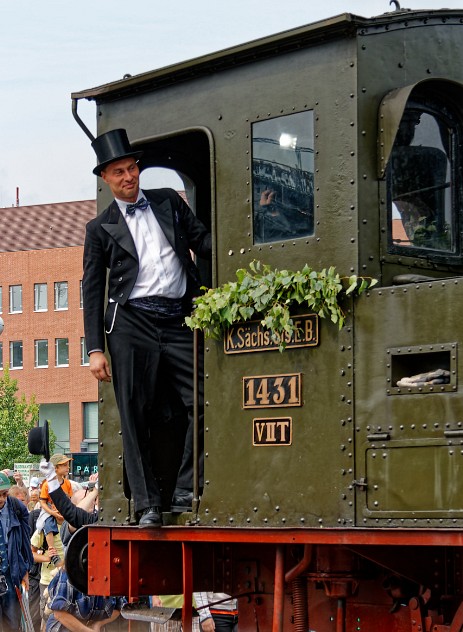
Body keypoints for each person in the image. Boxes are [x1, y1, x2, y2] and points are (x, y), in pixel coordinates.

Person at [82, 128, 212, 527]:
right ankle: (147, 504)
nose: (128, 176)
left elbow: (203, 241)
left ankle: (186, 487)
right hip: (131, 324)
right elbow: (92, 287)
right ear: (106, 178)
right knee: (134, 415)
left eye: (132, 167)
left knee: (204, 399)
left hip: (178, 316)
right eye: (119, 171)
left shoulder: (168, 201)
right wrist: (95, 348)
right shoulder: (99, 228)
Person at [0, 471, 34, 631]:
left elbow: (24, 544)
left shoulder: (15, 507)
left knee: (13, 624)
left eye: (4, 494)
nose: (1, 499)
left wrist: (25, 571)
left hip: (10, 575)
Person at [38, 455, 73, 566]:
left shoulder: (67, 483)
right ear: (55, 468)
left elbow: (70, 499)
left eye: (68, 465)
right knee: (48, 524)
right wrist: (52, 512)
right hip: (50, 509)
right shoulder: (46, 484)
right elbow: (42, 502)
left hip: (64, 509)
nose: (68, 468)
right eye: (64, 465)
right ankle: (52, 551)